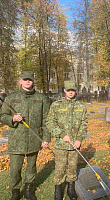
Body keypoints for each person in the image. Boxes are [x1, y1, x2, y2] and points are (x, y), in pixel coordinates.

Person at [0, 71, 50, 200]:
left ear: (33, 81)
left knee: (31, 167)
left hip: (34, 138)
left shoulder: (41, 98)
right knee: (15, 169)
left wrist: (46, 138)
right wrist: (13, 119)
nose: (28, 82)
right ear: (20, 81)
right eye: (25, 79)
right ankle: (15, 192)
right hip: (16, 139)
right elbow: (2, 116)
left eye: (30, 80)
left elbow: (46, 120)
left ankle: (29, 190)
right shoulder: (11, 98)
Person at [46, 81, 87, 200]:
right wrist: (61, 134)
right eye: (68, 90)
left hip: (75, 144)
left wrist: (79, 139)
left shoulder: (81, 106)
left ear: (75, 91)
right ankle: (58, 189)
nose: (71, 92)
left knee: (72, 167)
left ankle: (70, 188)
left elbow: (84, 124)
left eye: (73, 90)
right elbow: (50, 122)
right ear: (64, 90)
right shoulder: (56, 105)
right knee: (60, 167)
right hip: (61, 144)